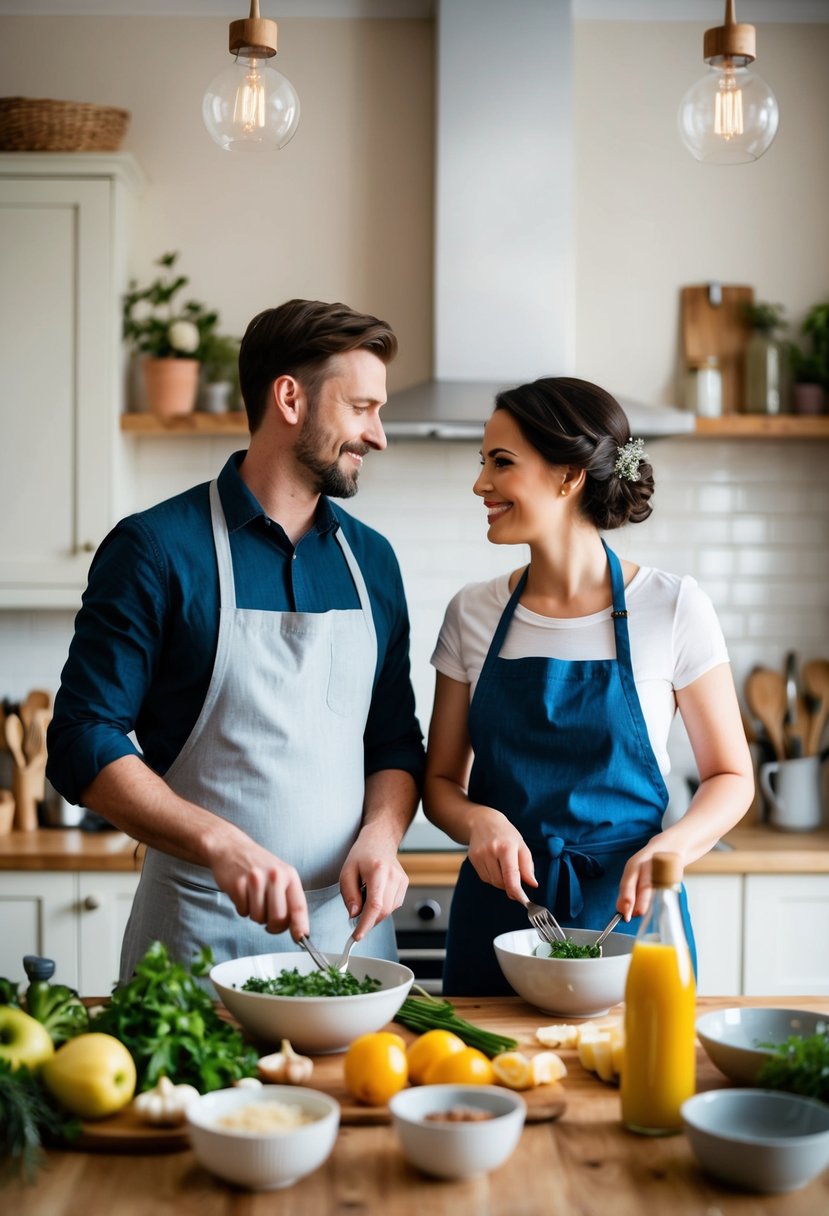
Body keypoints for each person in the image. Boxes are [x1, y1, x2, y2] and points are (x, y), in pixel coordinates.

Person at [47, 298, 425, 980]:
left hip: (349, 944)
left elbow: (394, 743)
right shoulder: (157, 548)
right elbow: (82, 736)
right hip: (196, 937)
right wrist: (218, 841)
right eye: (361, 407)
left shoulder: (374, 563)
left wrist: (382, 833)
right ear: (289, 398)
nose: (378, 435)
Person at [423, 376, 754, 995]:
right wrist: (478, 822)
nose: (480, 484)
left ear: (568, 475)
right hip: (499, 920)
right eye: (482, 463)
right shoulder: (472, 612)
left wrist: (672, 849)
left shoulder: (673, 606)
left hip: (630, 923)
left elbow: (732, 778)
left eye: (501, 463)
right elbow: (441, 781)